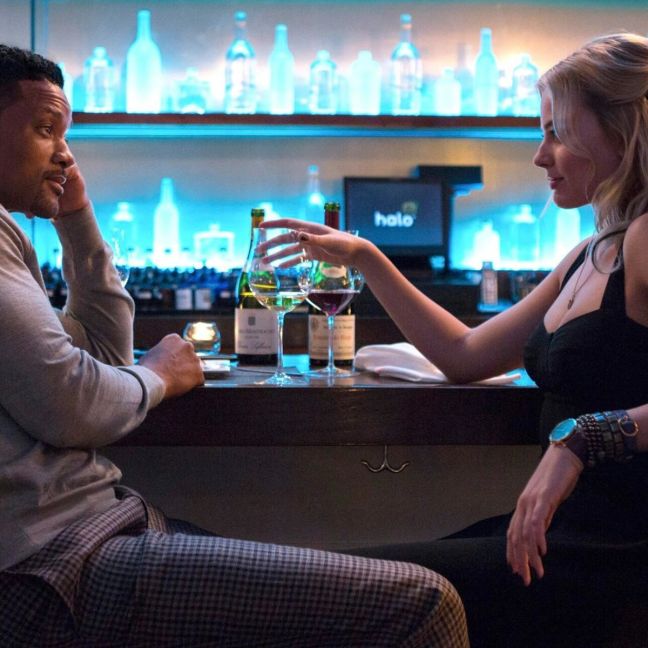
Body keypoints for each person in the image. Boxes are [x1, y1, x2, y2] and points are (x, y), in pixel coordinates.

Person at [0, 45, 469, 647]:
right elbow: (75, 404)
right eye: (46, 130)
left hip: (91, 532)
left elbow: (104, 360)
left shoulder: (13, 238)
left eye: (67, 135)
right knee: (424, 604)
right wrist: (160, 375)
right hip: (49, 571)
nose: (66, 153)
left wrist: (78, 217)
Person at [262, 32, 648, 648]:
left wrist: (584, 438)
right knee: (323, 578)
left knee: (325, 591)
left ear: (622, 134)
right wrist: (365, 257)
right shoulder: (590, 254)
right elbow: (465, 357)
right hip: (554, 539)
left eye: (557, 132)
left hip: (616, 552)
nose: (540, 156)